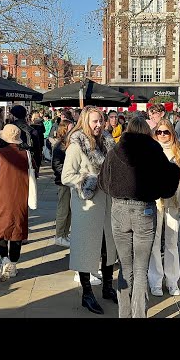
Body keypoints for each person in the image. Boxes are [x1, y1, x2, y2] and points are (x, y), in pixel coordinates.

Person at [99, 117, 180, 318]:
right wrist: (174, 169)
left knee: (125, 268)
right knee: (141, 268)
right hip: (144, 209)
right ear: (146, 131)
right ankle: (139, 315)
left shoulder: (114, 152)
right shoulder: (154, 151)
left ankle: (124, 314)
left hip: (119, 210)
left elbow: (102, 182)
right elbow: (167, 188)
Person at [61, 106, 117, 315]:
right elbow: (67, 176)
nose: (99, 124)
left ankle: (107, 287)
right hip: (88, 204)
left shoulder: (108, 142)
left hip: (108, 202)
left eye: (100, 120)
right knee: (86, 248)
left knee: (107, 247)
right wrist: (88, 181)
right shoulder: (76, 145)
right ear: (85, 122)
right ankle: (86, 293)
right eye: (94, 121)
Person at [147, 119, 180, 297]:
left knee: (171, 243)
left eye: (165, 132)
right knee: (153, 242)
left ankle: (172, 280)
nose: (162, 135)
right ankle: (155, 281)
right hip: (155, 200)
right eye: (159, 132)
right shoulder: (151, 148)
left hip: (174, 200)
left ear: (172, 133)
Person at [0, 124, 31, 282]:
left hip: (1, 197)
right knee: (17, 231)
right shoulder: (26, 154)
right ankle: (13, 263)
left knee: (1, 231)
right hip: (21, 197)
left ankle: (4, 260)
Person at [51, 119, 75, 247]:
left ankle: (64, 234)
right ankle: (59, 235)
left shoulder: (69, 144)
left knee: (69, 210)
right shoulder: (60, 145)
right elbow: (56, 164)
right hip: (63, 182)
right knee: (63, 209)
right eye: (70, 128)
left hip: (69, 181)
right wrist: (65, 175)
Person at [10, 105, 42, 177]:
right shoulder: (33, 131)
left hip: (11, 164)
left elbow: (0, 148)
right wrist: (36, 169)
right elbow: (37, 152)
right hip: (28, 164)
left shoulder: (8, 129)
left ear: (13, 116)